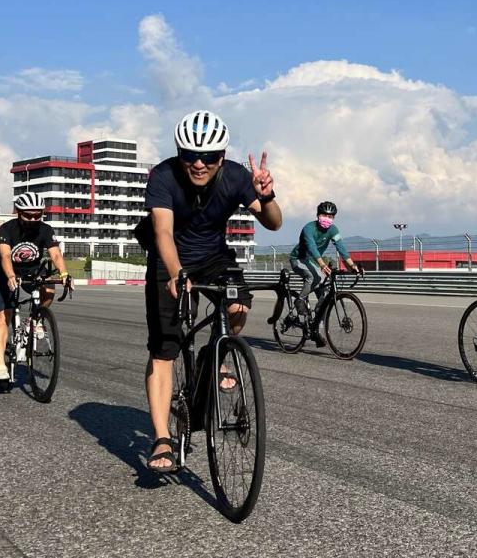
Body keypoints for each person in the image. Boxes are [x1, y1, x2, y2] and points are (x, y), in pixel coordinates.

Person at [136, 110, 282, 473]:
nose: (198, 164)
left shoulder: (235, 176)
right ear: (179, 153)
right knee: (165, 349)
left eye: (209, 157)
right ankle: (161, 439)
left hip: (215, 258)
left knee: (237, 309)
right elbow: (164, 234)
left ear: (222, 156)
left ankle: (215, 355)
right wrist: (175, 273)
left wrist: (267, 196)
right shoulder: (164, 176)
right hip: (169, 260)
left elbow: (274, 223)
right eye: (189, 156)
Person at [0, 192, 71, 386]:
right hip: (3, 273)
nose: (33, 219)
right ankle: (0, 364)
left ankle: (37, 320)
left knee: (49, 288)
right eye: (28, 215)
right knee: (3, 315)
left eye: (37, 215)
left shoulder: (45, 229)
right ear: (18, 212)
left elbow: (56, 255)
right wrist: (10, 276)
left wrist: (65, 274)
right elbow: (6, 256)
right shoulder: (7, 229)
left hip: (31, 272)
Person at [288, 201, 363, 346]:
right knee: (314, 276)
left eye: (330, 216)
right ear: (318, 215)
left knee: (324, 299)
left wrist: (352, 266)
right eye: (324, 215)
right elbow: (311, 247)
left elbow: (341, 248)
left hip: (316, 263)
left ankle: (317, 331)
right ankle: (300, 299)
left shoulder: (333, 230)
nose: (327, 218)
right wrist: (322, 264)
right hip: (299, 259)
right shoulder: (308, 228)